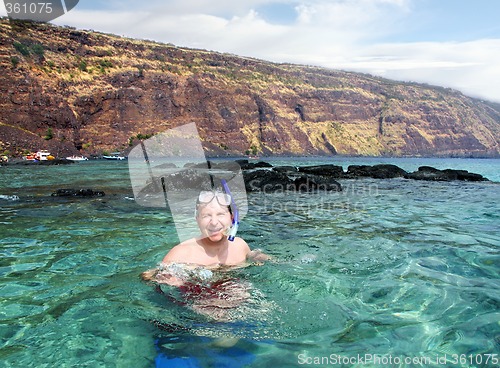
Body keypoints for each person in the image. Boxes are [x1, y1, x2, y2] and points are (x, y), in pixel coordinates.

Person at [141, 189, 268, 286]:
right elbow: (147, 276)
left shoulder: (240, 245)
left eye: (220, 214)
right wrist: (166, 277)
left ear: (232, 218)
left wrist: (257, 256)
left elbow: (251, 257)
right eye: (206, 215)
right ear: (197, 220)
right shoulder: (181, 253)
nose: (214, 222)